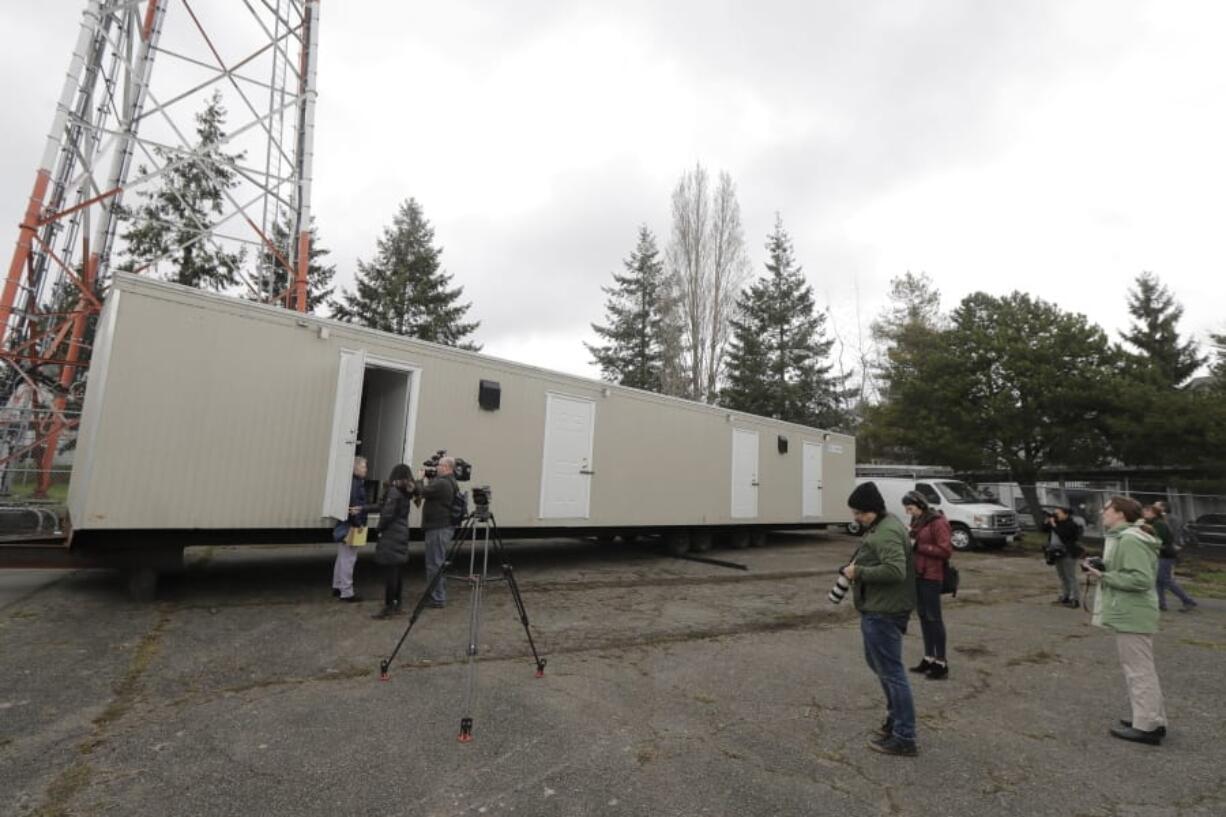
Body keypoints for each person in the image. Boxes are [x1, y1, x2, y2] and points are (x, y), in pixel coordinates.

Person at [842, 481, 919, 757]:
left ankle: (904, 736)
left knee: (892, 673)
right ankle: (895, 720)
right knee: (881, 667)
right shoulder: (885, 525)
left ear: (873, 510)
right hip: (879, 609)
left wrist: (858, 572)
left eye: (860, 513)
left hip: (883, 612)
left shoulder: (886, 533)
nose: (856, 518)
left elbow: (895, 571)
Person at [1083, 496, 1167, 745]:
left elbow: (1140, 579)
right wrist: (1104, 567)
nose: (1102, 512)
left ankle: (1147, 726)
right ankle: (1151, 719)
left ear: (1120, 513)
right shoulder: (1126, 537)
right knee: (1141, 669)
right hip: (1131, 612)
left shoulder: (1130, 539)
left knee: (1138, 671)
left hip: (1133, 613)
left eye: (1107, 509)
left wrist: (1104, 575)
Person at [902, 491, 952, 680]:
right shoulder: (919, 521)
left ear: (920, 505)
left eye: (910, 508)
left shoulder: (938, 522)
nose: (909, 512)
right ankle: (928, 657)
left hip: (932, 576)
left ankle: (941, 662)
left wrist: (918, 546)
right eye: (907, 509)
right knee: (923, 616)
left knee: (934, 618)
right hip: (918, 574)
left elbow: (946, 550)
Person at [371, 464, 414, 620]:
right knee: (397, 571)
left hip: (392, 534)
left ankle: (389, 606)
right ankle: (397, 603)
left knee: (391, 572)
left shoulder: (394, 491)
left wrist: (379, 528)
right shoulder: (406, 491)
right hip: (402, 532)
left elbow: (387, 513)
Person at [416, 456, 458, 609]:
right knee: (437, 562)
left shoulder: (442, 483)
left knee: (434, 563)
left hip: (438, 528)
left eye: (439, 465)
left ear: (447, 467)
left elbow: (421, 491)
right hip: (442, 527)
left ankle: (437, 598)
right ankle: (437, 594)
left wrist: (420, 479)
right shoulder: (449, 482)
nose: (436, 468)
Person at [332, 456, 373, 603]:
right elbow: (355, 505)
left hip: (345, 524)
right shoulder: (357, 485)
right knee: (349, 559)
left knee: (342, 557)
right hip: (352, 525)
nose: (366, 470)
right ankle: (347, 592)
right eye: (363, 467)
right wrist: (358, 524)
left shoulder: (350, 482)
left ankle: (337, 586)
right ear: (355, 468)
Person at [1145, 503, 1197, 613]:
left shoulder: (1159, 524)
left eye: (1147, 511)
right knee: (1159, 580)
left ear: (1154, 513)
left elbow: (1159, 540)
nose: (1144, 513)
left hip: (1166, 554)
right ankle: (1160, 603)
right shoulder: (1155, 523)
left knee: (1165, 580)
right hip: (1162, 554)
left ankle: (1187, 601)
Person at [1042, 506, 1084, 609]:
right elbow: (1042, 529)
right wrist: (1047, 520)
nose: (1056, 515)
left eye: (1058, 513)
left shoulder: (1071, 524)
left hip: (1068, 552)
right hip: (1056, 552)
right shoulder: (1056, 523)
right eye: (1055, 513)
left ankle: (1075, 599)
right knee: (1062, 576)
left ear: (1066, 514)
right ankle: (1066, 595)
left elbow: (1063, 535)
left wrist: (1054, 524)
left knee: (1070, 576)